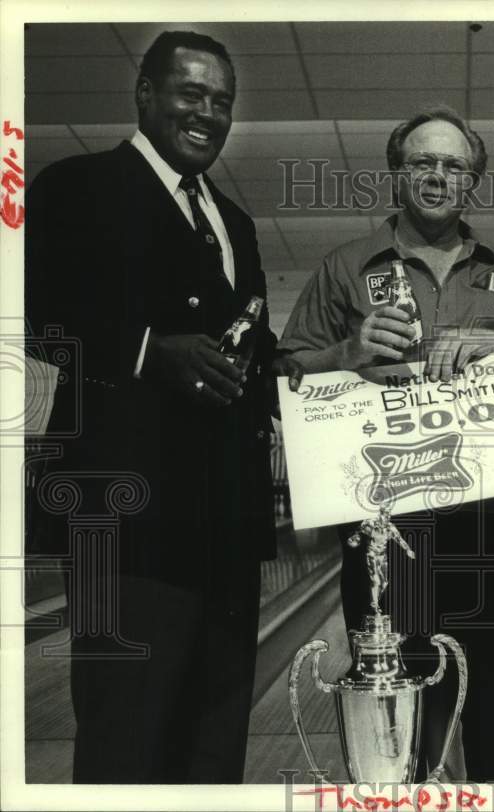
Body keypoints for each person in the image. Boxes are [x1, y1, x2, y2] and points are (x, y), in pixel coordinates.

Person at [25, 30, 299, 783]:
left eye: (222, 102)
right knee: (127, 739)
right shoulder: (73, 187)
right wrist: (150, 348)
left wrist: (333, 369)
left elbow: (251, 354)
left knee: (213, 747)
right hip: (124, 522)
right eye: (190, 93)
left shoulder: (234, 223)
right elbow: (38, 311)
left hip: (229, 526)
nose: (207, 113)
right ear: (145, 93)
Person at [276, 106, 494, 780]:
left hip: (491, 532)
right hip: (383, 539)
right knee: (395, 723)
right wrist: (346, 350)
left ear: (473, 181)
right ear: (397, 174)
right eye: (423, 162)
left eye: (454, 165)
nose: (438, 175)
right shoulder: (346, 268)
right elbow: (283, 375)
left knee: (493, 711)